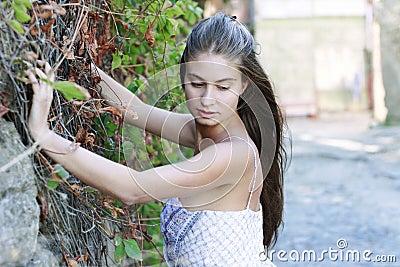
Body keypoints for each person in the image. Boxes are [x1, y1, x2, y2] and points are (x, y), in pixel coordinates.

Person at [27, 12, 286, 266]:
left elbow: (134, 188)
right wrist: (81, 63)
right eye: (197, 84)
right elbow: (137, 111)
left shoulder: (231, 155)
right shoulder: (207, 130)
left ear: (243, 86)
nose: (207, 100)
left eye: (222, 87)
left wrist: (43, 134)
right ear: (183, 78)